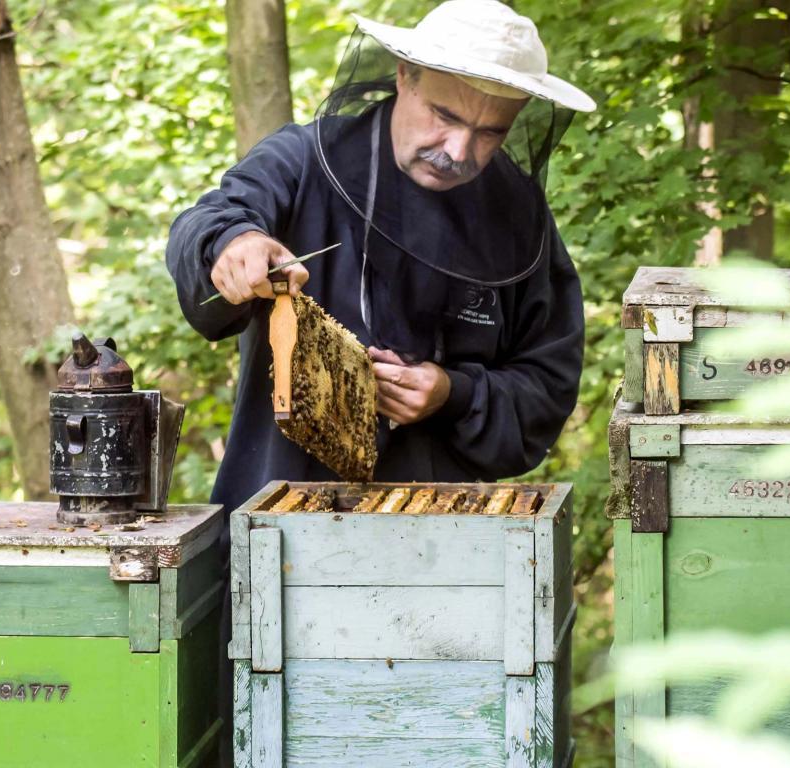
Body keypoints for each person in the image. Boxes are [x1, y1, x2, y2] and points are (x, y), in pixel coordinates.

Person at [166, 0, 593, 511]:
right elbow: (208, 219)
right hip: (277, 514)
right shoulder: (302, 160)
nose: (458, 151)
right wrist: (233, 243)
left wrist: (452, 393)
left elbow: (547, 385)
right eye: (445, 115)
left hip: (447, 538)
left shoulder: (520, 217)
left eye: (489, 132)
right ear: (404, 77)